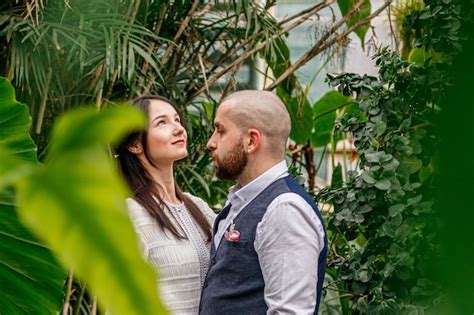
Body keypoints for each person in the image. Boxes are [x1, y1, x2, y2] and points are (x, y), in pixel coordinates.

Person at [200, 90, 328, 314]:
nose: (211, 142)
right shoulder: (242, 201)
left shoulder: (285, 209)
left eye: (220, 130)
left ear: (251, 141)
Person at [115, 96, 216, 314]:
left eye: (177, 120)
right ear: (134, 144)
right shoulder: (129, 214)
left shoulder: (199, 207)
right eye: (162, 122)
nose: (179, 129)